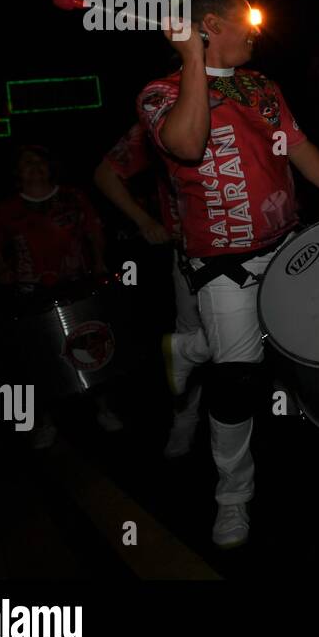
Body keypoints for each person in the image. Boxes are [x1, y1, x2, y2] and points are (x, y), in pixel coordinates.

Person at [139, 0, 319, 548]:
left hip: (286, 244)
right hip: (223, 262)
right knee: (237, 378)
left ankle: (188, 348)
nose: (255, 32)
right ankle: (232, 496)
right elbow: (188, 146)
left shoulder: (262, 85)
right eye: (245, 20)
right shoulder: (158, 94)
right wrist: (193, 57)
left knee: (300, 346)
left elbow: (297, 144)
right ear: (209, 26)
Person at [0, 145, 121, 444]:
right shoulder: (7, 208)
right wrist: (2, 269)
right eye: (26, 162)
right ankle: (44, 421)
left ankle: (103, 407)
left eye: (40, 161)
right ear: (17, 173)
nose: (34, 166)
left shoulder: (73, 197)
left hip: (77, 283)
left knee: (90, 347)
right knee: (36, 357)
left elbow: (94, 229)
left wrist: (99, 260)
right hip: (31, 290)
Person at [95, 122, 205, 458]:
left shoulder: (248, 100)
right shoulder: (161, 115)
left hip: (256, 247)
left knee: (268, 326)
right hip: (194, 252)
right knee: (194, 339)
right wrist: (144, 220)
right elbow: (106, 174)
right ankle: (184, 420)